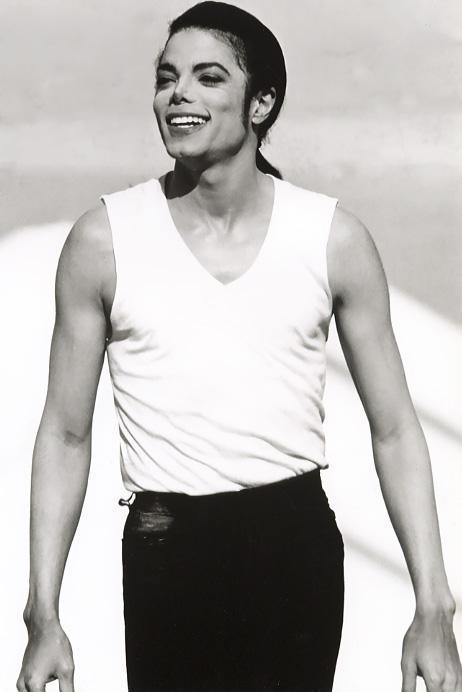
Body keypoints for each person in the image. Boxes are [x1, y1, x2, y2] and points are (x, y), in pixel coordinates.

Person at [17, 2, 461, 692]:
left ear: (262, 103)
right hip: (165, 547)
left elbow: (397, 428)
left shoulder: (331, 238)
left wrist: (434, 607)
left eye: (208, 77)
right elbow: (66, 434)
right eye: (167, 77)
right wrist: (42, 615)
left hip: (294, 549)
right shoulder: (104, 240)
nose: (179, 94)